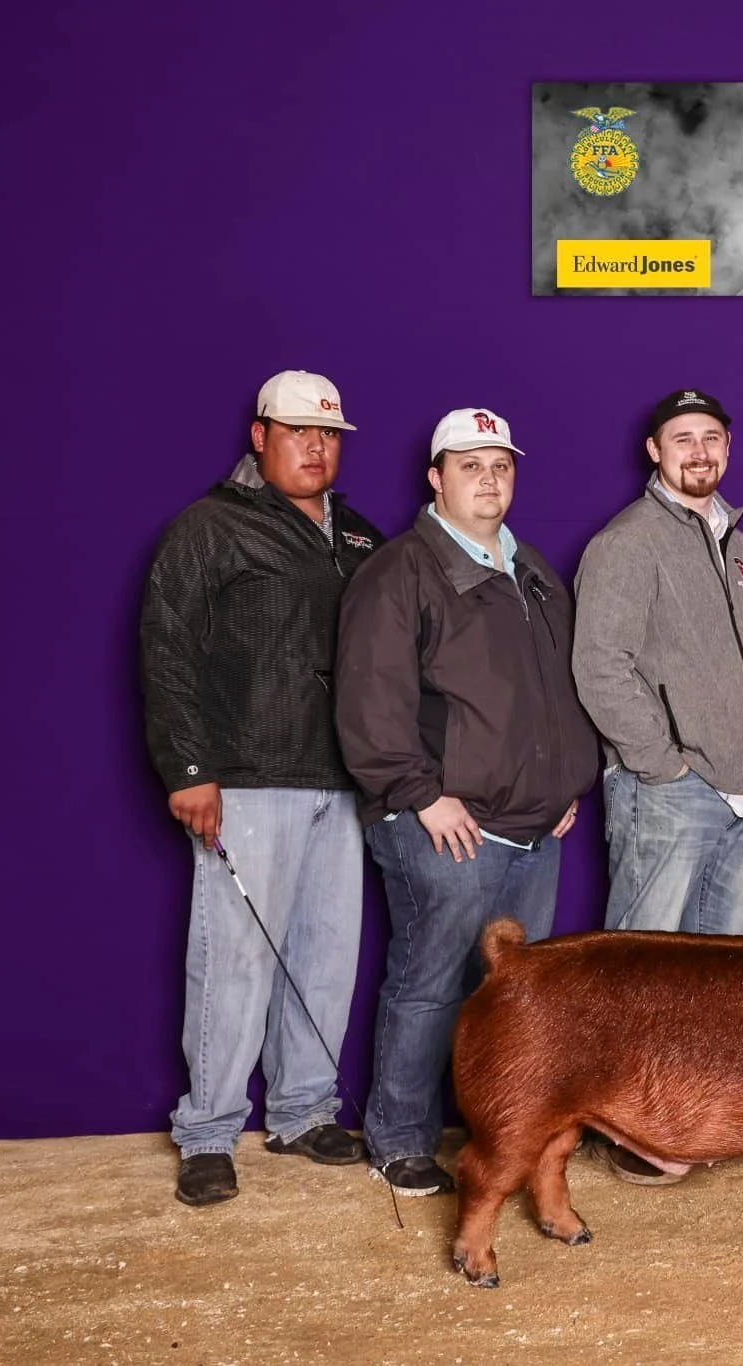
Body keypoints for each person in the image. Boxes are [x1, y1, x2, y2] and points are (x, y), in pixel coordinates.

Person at [335, 407, 600, 1196]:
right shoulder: (399, 570)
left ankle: (501, 1134)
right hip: (446, 823)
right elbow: (369, 699)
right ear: (436, 479)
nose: (489, 480)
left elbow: (560, 691)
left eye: (501, 466)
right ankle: (399, 1140)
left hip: (531, 828)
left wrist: (565, 782)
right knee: (429, 983)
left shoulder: (532, 571)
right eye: (470, 466)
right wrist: (420, 795)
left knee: (512, 999)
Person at [140, 369, 384, 1207]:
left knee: (325, 957)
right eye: (298, 432)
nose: (316, 448)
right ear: (260, 437)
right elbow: (167, 651)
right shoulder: (210, 528)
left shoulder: (359, 535)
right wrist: (189, 770)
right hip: (245, 777)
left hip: (343, 780)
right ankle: (209, 1132)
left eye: (329, 435)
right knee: (235, 960)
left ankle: (303, 1111)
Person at [571, 388, 743, 1184]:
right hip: (671, 790)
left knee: (716, 975)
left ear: (728, 447)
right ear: (655, 451)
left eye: (711, 437)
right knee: (643, 967)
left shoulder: (740, 543)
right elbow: (600, 665)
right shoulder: (627, 542)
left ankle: (685, 1119)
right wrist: (661, 761)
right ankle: (625, 1123)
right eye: (682, 438)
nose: (700, 451)